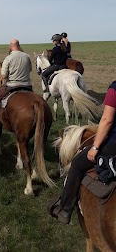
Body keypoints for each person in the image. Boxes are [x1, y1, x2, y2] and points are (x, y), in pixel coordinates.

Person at [47, 81, 116, 224]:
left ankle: (65, 209)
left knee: (78, 163)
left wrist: (95, 147)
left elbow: (107, 120)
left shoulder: (114, 88)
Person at [0, 39, 32, 130]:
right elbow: (30, 69)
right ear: (19, 46)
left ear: (11, 46)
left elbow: (3, 76)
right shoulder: (27, 56)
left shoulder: (8, 58)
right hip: (27, 86)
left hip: (12, 85)